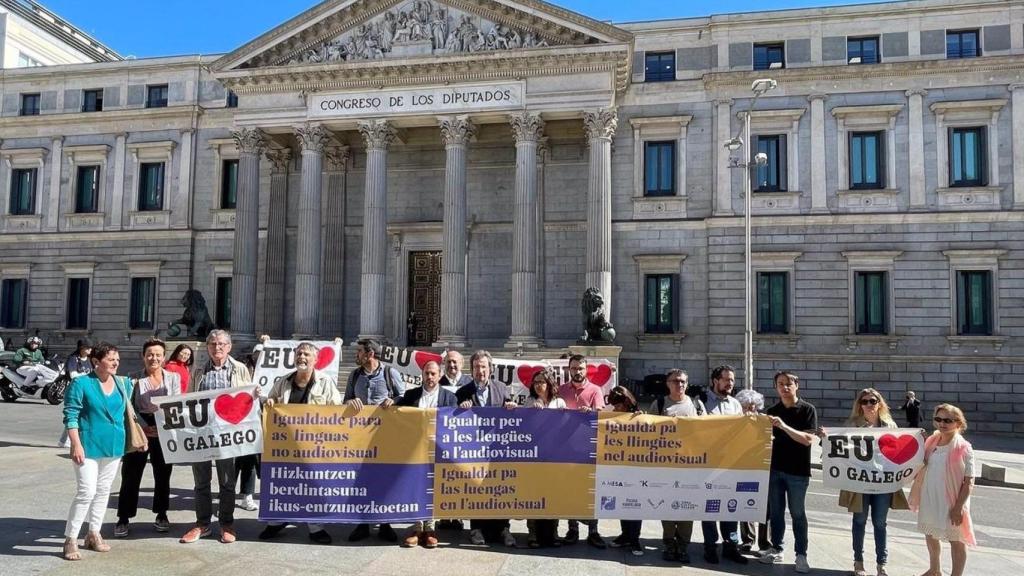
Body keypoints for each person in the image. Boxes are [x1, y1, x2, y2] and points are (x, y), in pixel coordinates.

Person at [258, 341, 342, 545]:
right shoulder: (284, 381)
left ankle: (316, 527)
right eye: (299, 354)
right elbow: (270, 405)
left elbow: (336, 410)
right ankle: (278, 520)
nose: (302, 357)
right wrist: (269, 403)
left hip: (315, 446)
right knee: (283, 485)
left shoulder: (325, 382)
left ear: (315, 359)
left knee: (312, 486)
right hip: (285, 446)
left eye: (306, 354)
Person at [62, 342, 137, 561]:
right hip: (88, 444)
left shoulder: (123, 384)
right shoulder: (81, 383)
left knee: (104, 490)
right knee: (86, 491)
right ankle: (71, 538)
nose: (116, 363)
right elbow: (71, 415)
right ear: (96, 361)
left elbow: (127, 412)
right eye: (111, 359)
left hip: (114, 444)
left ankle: (94, 532)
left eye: (117, 359)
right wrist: (75, 443)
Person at [179, 330, 252, 545]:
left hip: (227, 436)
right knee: (201, 482)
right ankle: (202, 523)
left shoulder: (239, 369)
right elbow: (188, 400)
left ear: (229, 347)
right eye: (212, 344)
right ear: (207, 347)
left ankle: (226, 523)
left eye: (221, 344)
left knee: (227, 482)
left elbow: (247, 400)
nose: (216, 347)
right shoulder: (199, 370)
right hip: (201, 434)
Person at [826, 388, 909, 576]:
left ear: (880, 403)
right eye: (865, 401)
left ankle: (882, 564)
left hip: (882, 483)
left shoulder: (890, 425)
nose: (869, 405)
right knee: (859, 520)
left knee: (880, 522)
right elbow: (841, 449)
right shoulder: (853, 425)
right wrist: (827, 438)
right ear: (859, 405)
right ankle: (858, 562)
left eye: (873, 401)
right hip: (859, 482)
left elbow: (899, 452)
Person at [115, 339, 182, 538]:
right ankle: (123, 517)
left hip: (164, 428)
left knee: (163, 474)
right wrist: (145, 427)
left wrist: (160, 426)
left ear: (164, 357)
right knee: (131, 475)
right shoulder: (132, 379)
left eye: (158, 355)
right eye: (150, 354)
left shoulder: (173, 378)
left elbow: (175, 402)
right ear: (143, 357)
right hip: (139, 428)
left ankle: (161, 514)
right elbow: (129, 406)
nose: (154, 358)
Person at [344, 338, 405, 543]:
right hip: (360, 439)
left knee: (383, 480)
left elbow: (403, 398)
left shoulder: (390, 373)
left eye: (360, 351)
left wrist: (393, 401)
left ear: (370, 354)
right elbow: (346, 400)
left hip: (384, 437)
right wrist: (350, 402)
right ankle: (362, 524)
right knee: (361, 480)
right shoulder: (354, 376)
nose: (357, 355)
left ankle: (385, 523)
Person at [455, 350, 518, 547]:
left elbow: (511, 412)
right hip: (473, 450)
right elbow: (452, 420)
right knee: (476, 488)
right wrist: (460, 409)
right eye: (476, 367)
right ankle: (476, 528)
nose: (480, 370)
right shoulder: (462, 392)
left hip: (498, 449)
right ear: (471, 369)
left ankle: (503, 528)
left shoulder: (501, 388)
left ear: (490, 369)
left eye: (483, 366)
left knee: (500, 487)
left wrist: (511, 406)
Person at [760, 371, 818, 573]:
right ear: (776, 387)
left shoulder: (807, 409)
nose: (784, 387)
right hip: (775, 469)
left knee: (798, 514)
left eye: (788, 384)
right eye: (780, 384)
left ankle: (801, 555)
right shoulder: (772, 410)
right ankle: (777, 549)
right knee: (776, 513)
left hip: (798, 472)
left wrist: (784, 426)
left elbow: (808, 440)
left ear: (796, 386)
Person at [396, 360, 457, 548]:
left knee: (432, 491)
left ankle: (430, 529)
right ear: (422, 375)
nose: (430, 377)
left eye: (433, 374)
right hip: (415, 451)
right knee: (416, 489)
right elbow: (397, 417)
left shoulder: (449, 398)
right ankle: (417, 529)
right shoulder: (410, 395)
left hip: (438, 451)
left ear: (440, 375)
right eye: (427, 373)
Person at [911, 404, 975, 576]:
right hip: (930, 495)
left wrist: (958, 507)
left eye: (948, 420)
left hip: (953, 499)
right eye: (938, 419)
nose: (942, 423)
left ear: (958, 423)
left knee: (956, 539)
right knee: (930, 533)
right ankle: (935, 570)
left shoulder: (964, 447)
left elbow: (969, 481)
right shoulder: (931, 441)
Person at [557, 354, 608, 549]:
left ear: (586, 370)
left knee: (590, 490)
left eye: (581, 369)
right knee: (570, 489)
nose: (577, 372)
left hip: (589, 447)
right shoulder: (561, 390)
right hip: (566, 448)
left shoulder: (596, 390)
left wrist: (592, 412)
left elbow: (601, 414)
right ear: (569, 370)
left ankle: (593, 531)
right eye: (574, 368)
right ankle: (572, 528)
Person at [648, 369, 700, 563]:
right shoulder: (659, 404)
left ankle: (683, 545)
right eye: (675, 381)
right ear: (668, 383)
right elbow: (648, 430)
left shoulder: (696, 404)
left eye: (683, 381)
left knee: (687, 507)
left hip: (691, 465)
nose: (680, 384)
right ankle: (669, 543)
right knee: (667, 506)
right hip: (666, 466)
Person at [700, 365, 749, 565]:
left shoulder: (735, 404)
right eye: (726, 379)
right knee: (710, 508)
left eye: (732, 380)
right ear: (715, 381)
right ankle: (710, 547)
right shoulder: (701, 402)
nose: (730, 384)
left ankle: (731, 546)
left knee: (731, 506)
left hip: (730, 464)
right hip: (709, 464)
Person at [525, 369, 564, 549]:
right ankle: (532, 532)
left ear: (549, 383)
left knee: (553, 493)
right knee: (533, 493)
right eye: (535, 382)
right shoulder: (529, 401)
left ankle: (554, 531)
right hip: (534, 455)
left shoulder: (559, 402)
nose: (538, 385)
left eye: (542, 381)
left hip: (555, 456)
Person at [606, 386, 645, 557]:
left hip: (636, 469)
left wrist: (641, 420)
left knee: (635, 504)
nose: (615, 409)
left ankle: (634, 538)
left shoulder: (640, 417)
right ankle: (625, 535)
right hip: (618, 466)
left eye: (618, 406)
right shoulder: (613, 416)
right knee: (622, 503)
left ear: (627, 404)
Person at [736, 388, 771, 555]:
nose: (750, 410)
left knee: (765, 507)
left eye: (753, 406)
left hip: (763, 468)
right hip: (743, 469)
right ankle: (748, 540)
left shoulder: (765, 422)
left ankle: (765, 543)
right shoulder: (735, 423)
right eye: (745, 406)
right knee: (745, 505)